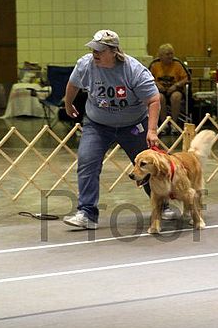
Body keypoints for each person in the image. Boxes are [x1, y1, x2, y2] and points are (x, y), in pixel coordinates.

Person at [63, 29, 160, 229]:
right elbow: (73, 84)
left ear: (114, 51)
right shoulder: (85, 65)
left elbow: (153, 99)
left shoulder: (134, 70)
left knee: (148, 165)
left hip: (133, 126)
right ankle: (87, 213)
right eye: (93, 49)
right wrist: (68, 103)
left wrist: (151, 131)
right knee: (87, 161)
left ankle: (162, 205)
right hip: (97, 125)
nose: (95, 53)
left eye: (100, 50)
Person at [150, 43, 188, 134]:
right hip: (160, 90)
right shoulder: (155, 65)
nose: (170, 56)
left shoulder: (177, 64)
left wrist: (176, 85)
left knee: (176, 97)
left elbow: (186, 78)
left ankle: (174, 124)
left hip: (175, 89)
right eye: (167, 54)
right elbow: (148, 78)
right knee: (159, 98)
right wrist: (157, 85)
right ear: (161, 55)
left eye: (171, 54)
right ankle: (164, 125)